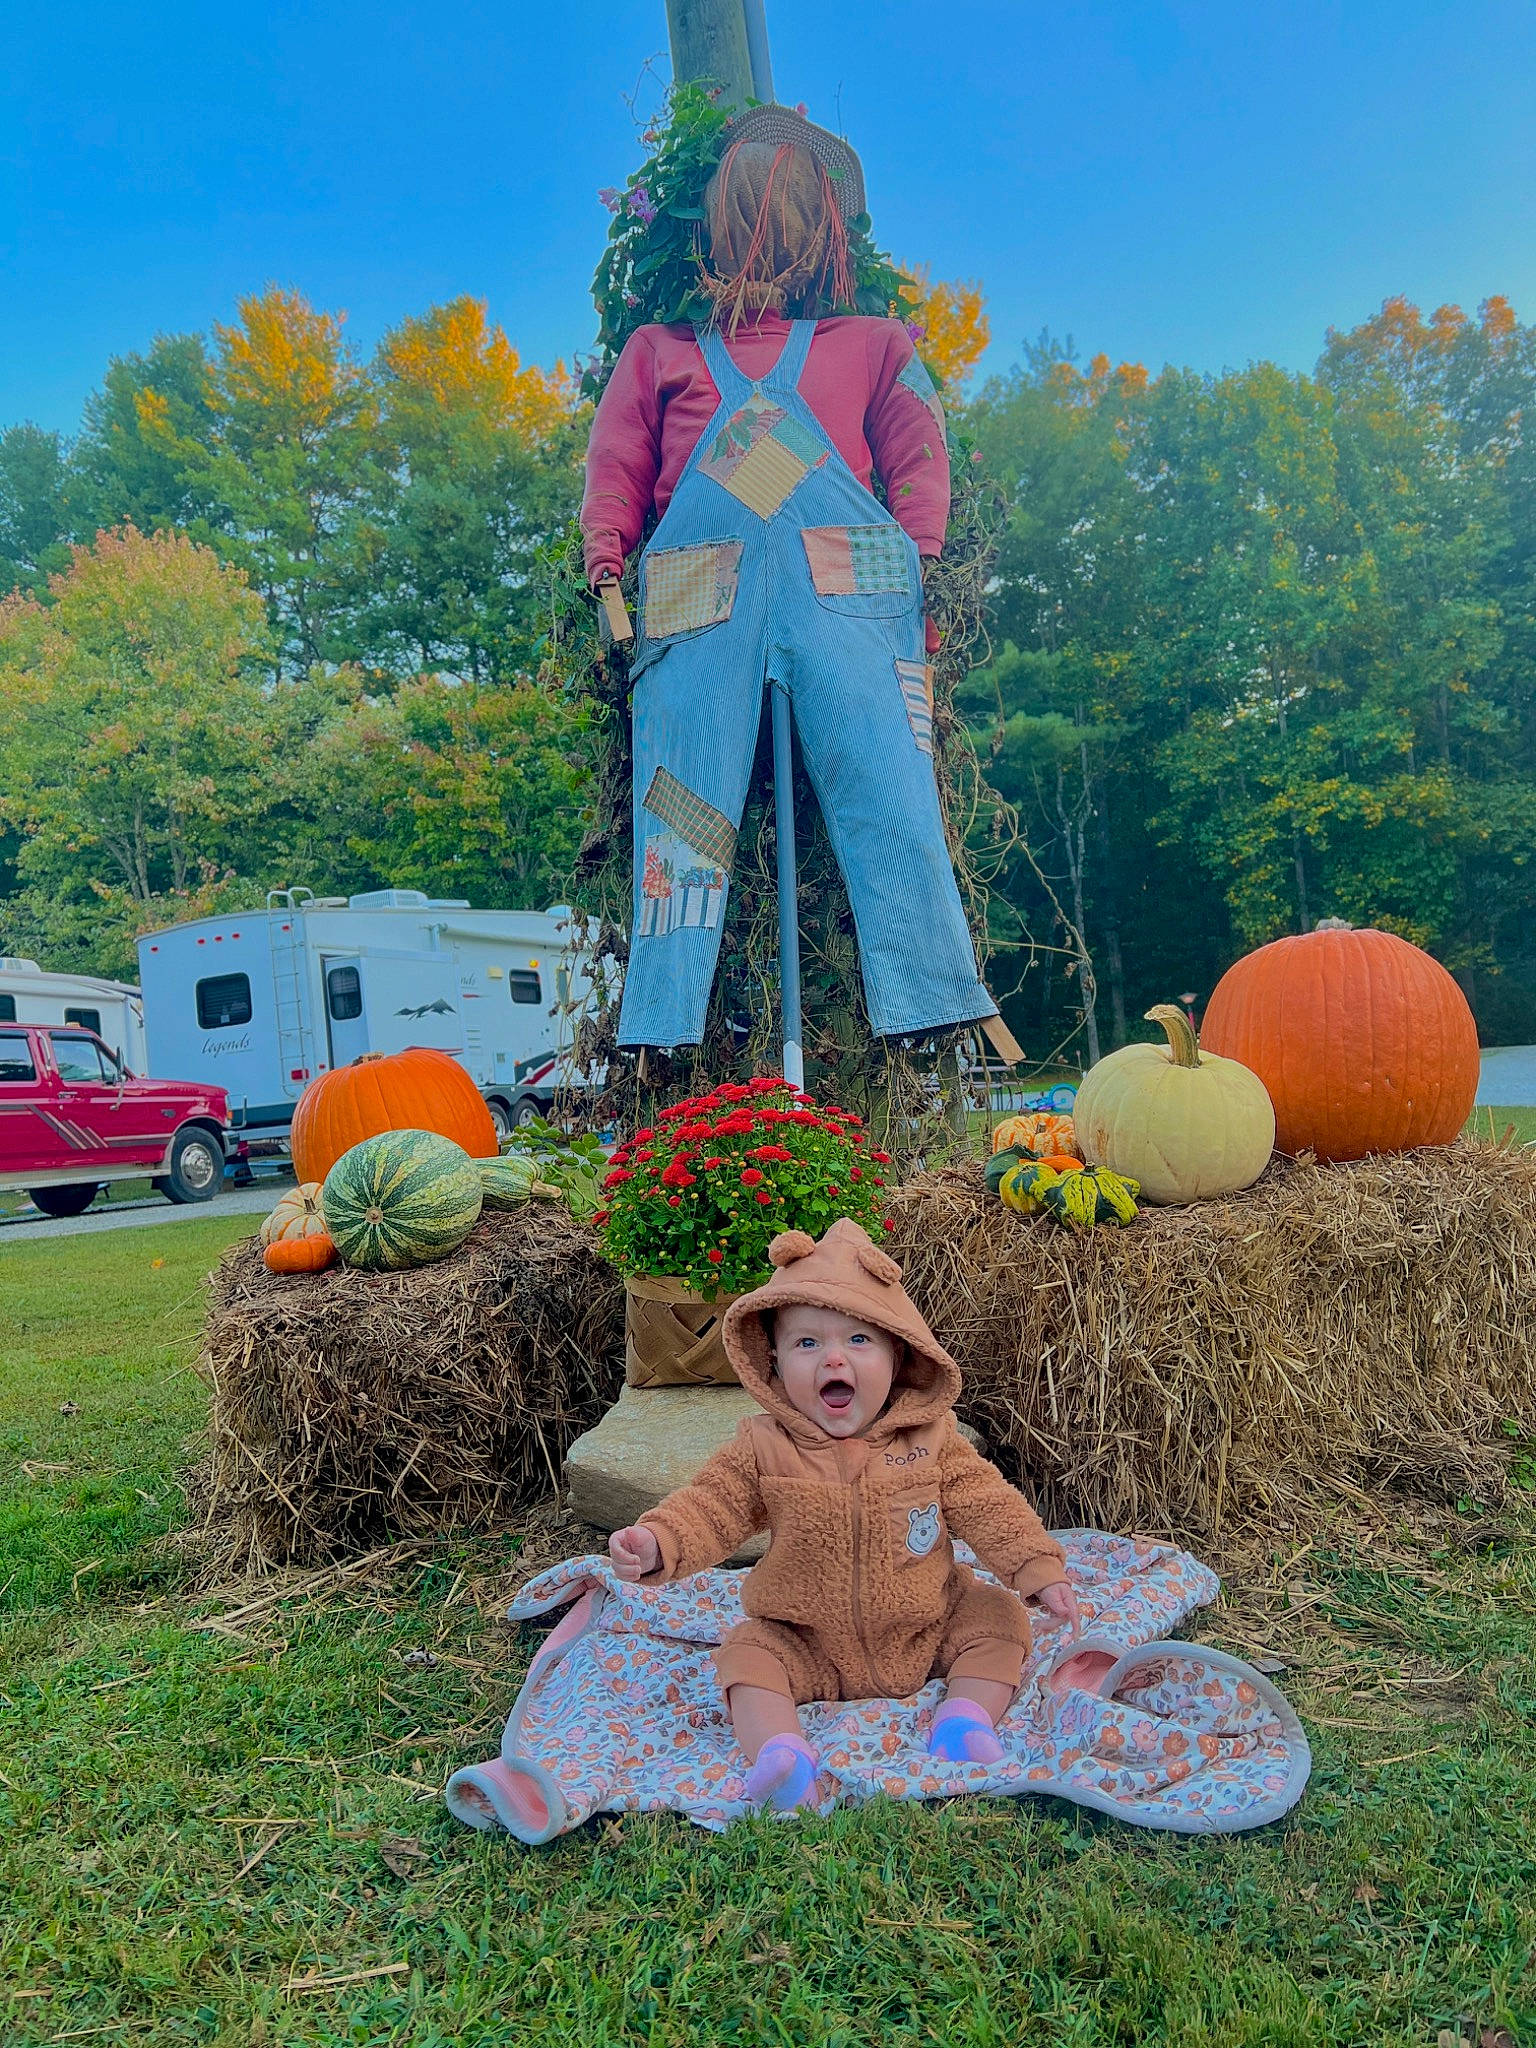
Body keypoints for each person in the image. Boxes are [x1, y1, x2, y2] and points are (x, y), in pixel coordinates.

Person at [580, 104, 1010, 1054]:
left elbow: (917, 452)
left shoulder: (874, 345)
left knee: (890, 783)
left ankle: (933, 996)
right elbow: (614, 467)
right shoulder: (663, 352)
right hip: (702, 595)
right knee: (681, 806)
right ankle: (665, 1018)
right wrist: (606, 563)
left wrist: (920, 570)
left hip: (846, 588)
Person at [608, 1218, 1082, 1813]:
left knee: (1000, 1619)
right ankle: (781, 1755)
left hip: (927, 1625)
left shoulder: (933, 1440)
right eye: (807, 1344)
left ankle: (964, 1720)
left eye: (859, 1341)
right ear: (774, 1363)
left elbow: (990, 1507)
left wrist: (1038, 1568)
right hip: (806, 1639)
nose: (834, 1357)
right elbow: (711, 1506)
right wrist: (658, 1540)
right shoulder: (764, 1447)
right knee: (745, 1654)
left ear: (898, 1357)